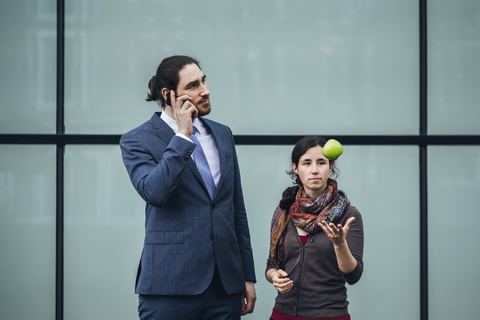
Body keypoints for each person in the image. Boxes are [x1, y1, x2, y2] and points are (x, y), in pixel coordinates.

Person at [120, 55, 256, 320]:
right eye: (193, 85)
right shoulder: (137, 140)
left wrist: (247, 277)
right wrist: (182, 137)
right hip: (170, 286)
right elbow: (154, 193)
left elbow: (235, 210)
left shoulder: (223, 133)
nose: (205, 91)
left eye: (203, 81)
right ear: (169, 95)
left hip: (225, 288)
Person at [265, 136, 364, 320]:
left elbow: (353, 276)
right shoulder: (284, 211)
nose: (314, 170)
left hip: (330, 314)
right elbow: (271, 265)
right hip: (282, 314)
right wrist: (275, 276)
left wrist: (340, 244)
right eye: (306, 163)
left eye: (321, 163)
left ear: (330, 167)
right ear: (296, 168)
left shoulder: (348, 214)